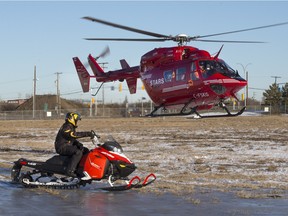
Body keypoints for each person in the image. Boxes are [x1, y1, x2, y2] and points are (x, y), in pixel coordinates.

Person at [54, 112, 94, 177]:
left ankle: (82, 169)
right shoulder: (66, 126)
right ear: (72, 119)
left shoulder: (70, 126)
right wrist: (88, 134)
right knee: (77, 152)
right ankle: (70, 171)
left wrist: (78, 144)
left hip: (67, 145)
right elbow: (72, 135)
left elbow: (71, 139)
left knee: (85, 150)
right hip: (62, 147)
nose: (77, 121)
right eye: (76, 120)